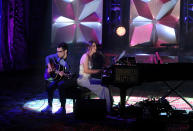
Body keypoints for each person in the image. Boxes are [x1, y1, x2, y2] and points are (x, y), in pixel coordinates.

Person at [77, 40, 112, 113]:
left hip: (88, 79)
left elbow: (92, 71)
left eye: (95, 46)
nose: (96, 47)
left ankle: (107, 109)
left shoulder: (90, 57)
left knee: (105, 88)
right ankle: (106, 109)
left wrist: (103, 70)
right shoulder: (85, 56)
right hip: (82, 80)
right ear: (89, 47)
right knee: (103, 88)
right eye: (94, 46)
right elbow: (86, 71)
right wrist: (99, 71)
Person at [42, 42, 76, 114]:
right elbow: (47, 57)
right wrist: (49, 66)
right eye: (57, 51)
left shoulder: (71, 59)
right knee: (50, 86)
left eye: (60, 52)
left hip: (69, 79)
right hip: (59, 78)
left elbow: (71, 73)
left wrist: (64, 73)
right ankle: (49, 106)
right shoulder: (57, 56)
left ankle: (63, 108)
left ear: (65, 51)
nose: (58, 53)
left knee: (61, 85)